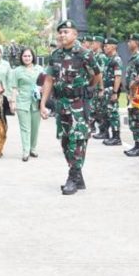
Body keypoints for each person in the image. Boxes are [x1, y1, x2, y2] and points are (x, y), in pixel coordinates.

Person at [40, 19, 102, 195]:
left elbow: (97, 74)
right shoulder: (55, 55)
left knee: (78, 140)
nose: (62, 35)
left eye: (66, 31)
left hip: (78, 103)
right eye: (60, 32)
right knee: (65, 141)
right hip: (62, 104)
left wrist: (88, 88)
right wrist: (43, 103)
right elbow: (49, 79)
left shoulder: (84, 54)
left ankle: (72, 177)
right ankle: (78, 175)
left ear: (75, 34)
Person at [9, 47, 43, 161]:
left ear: (33, 57)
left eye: (29, 56)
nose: (27, 58)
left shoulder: (39, 69)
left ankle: (33, 148)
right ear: (21, 57)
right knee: (25, 128)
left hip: (36, 101)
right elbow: (14, 88)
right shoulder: (17, 71)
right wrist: (13, 102)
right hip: (22, 102)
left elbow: (45, 85)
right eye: (25, 56)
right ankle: (25, 151)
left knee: (35, 127)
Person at [123, 34, 139, 158]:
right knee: (133, 119)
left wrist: (138, 80)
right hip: (132, 93)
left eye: (131, 41)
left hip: (138, 93)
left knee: (138, 119)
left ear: (137, 43)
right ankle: (137, 145)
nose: (128, 43)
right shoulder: (133, 57)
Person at [100, 37, 123, 146]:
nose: (104, 48)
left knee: (113, 113)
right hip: (107, 89)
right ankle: (109, 134)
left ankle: (116, 137)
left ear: (114, 46)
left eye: (107, 46)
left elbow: (118, 77)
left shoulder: (116, 59)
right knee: (108, 112)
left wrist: (115, 92)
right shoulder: (109, 59)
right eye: (104, 46)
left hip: (112, 89)